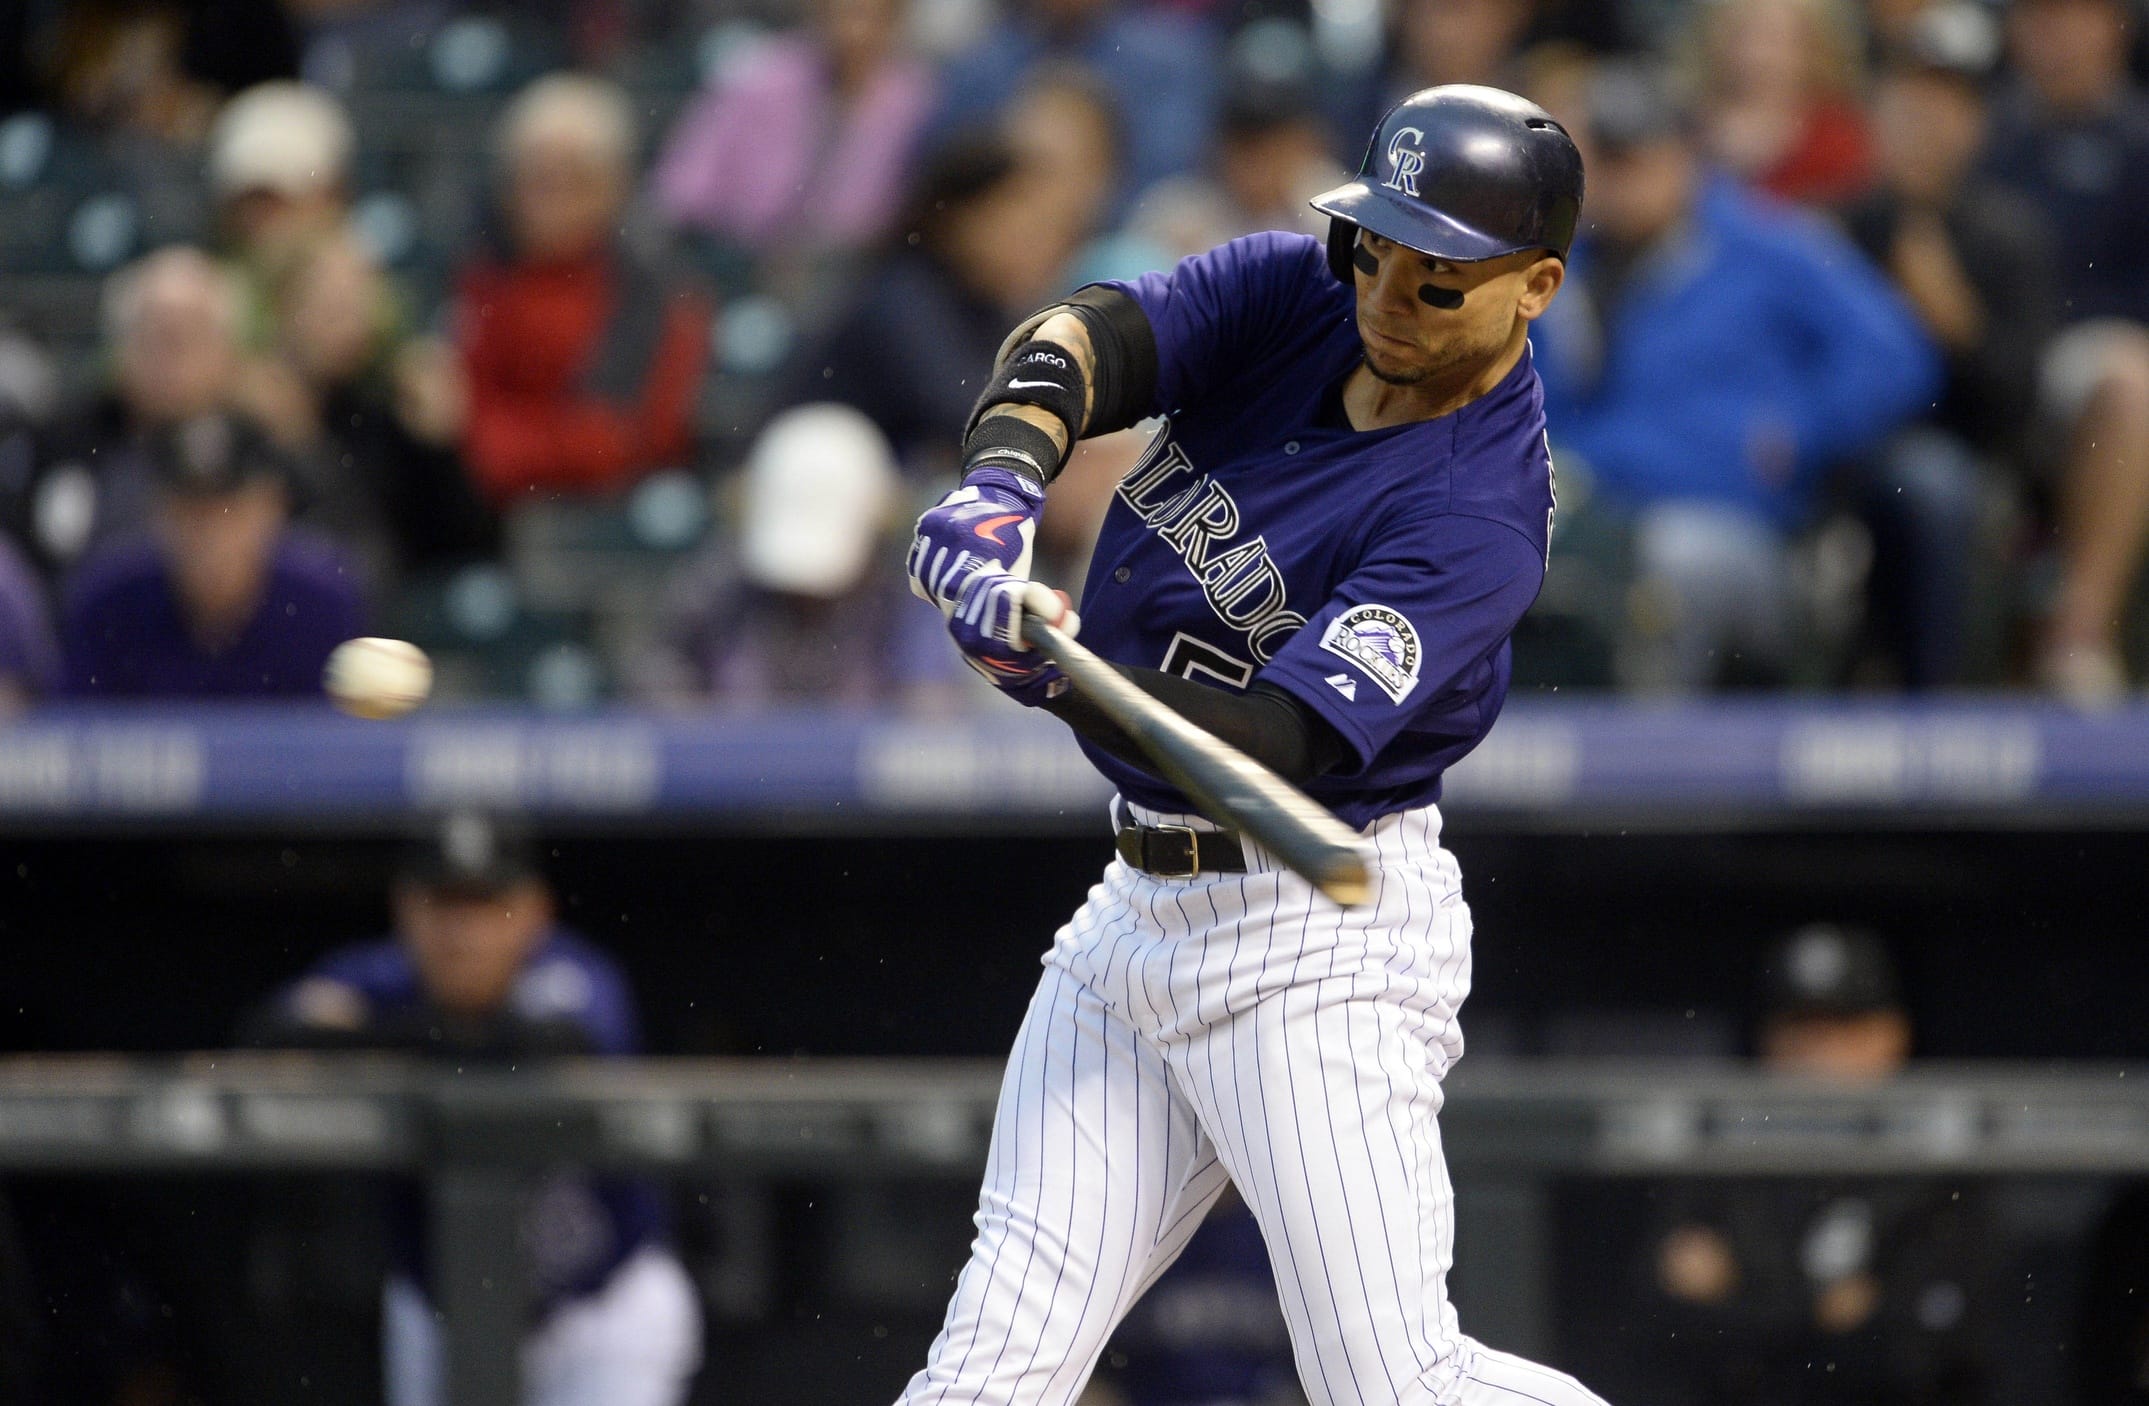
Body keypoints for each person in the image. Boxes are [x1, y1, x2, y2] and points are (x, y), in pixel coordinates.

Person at [898, 85, 1610, 1405]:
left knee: (1393, 1385)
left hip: (1314, 943)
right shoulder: (1298, 291)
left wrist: (1056, 673)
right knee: (987, 1377)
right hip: (1136, 914)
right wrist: (1001, 480)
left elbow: (1277, 744)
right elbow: (1087, 335)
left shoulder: (1479, 512)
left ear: (1535, 286)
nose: (1386, 296)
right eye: (1374, 248)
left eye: (1437, 276)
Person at [243, 811, 703, 1406]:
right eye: (444, 903)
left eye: (486, 904)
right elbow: (279, 1030)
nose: (463, 931)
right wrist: (445, 1038)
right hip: (441, 1312)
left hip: (597, 1312)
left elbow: (554, 1042)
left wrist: (382, 1039)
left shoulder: (572, 976)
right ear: (405, 908)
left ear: (535, 910)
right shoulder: (383, 976)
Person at [1531, 62, 1937, 692]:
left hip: (1738, 531)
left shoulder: (1766, 242)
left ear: (1684, 153)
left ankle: (1648, 755)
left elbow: (1896, 354)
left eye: (1638, 156)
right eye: (1606, 160)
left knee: (1672, 563)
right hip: (1591, 514)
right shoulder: (1562, 264)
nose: (1622, 179)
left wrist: (1797, 431)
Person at [1561, 925, 1994, 1406]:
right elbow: (1657, 1330)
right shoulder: (1722, 1160)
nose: (1817, 1052)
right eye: (1800, 1028)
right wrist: (1819, 1317)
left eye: (1841, 1027)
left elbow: (1922, 1354)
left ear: (1891, 1034)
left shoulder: (1937, 1169)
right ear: (1768, 1038)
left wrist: (1748, 1305)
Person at [1839, 3, 2054, 689]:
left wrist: (1956, 321)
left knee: (1932, 482)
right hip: (1839, 448)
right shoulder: (1836, 228)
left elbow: (2019, 405)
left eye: (1945, 108)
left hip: (1960, 450)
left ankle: (1938, 704)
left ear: (1975, 125)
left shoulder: (2009, 236)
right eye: (1907, 103)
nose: (1923, 124)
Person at [1981, 0, 2149, 700]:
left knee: (2128, 379)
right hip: (1991, 364)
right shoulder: (1988, 134)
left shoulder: (2137, 142)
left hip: (2092, 363)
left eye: (2068, 16)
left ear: (2112, 27)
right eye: (2035, 18)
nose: (2050, 37)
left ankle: (2078, 633)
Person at [455, 73, 712, 507]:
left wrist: (502, 444)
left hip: (614, 511)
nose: (548, 200)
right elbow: (459, 410)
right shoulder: (482, 279)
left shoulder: (657, 293)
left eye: (572, 179)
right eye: (536, 178)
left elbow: (629, 440)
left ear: (613, 187)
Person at [632, 403, 963, 708]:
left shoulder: (908, 598)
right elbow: (658, 675)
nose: (807, 598)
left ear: (879, 526)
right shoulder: (720, 584)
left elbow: (931, 710)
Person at [59, 408, 365, 698]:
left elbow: (343, 729)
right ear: (159, 513)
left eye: (229, 513)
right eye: (191, 512)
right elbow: (75, 726)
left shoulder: (320, 606)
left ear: (272, 509)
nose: (210, 535)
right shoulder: (109, 605)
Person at [650, 0, 936, 273]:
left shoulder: (910, 102)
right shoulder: (762, 75)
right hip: (735, 253)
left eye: (872, 16)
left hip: (843, 269)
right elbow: (682, 185)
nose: (855, 31)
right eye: (847, 12)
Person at [1687, 0, 1875, 210]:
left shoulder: (1836, 135)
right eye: (1744, 36)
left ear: (1812, 48)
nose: (1757, 54)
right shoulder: (1690, 126)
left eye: (1774, 39)